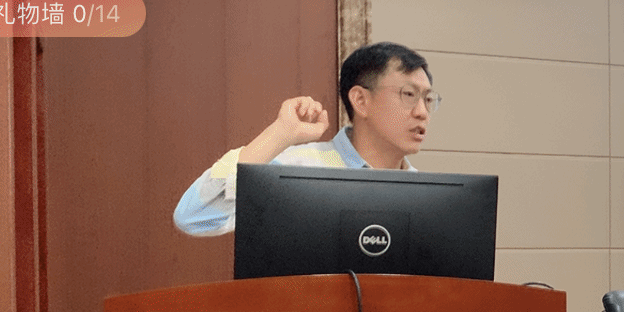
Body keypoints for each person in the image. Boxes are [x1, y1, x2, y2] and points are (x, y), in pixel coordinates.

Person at [173, 42, 442, 236]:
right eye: (409, 95)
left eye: (428, 99)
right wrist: (278, 136)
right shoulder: (296, 169)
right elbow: (193, 216)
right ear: (361, 100)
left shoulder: (429, 196)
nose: (422, 112)